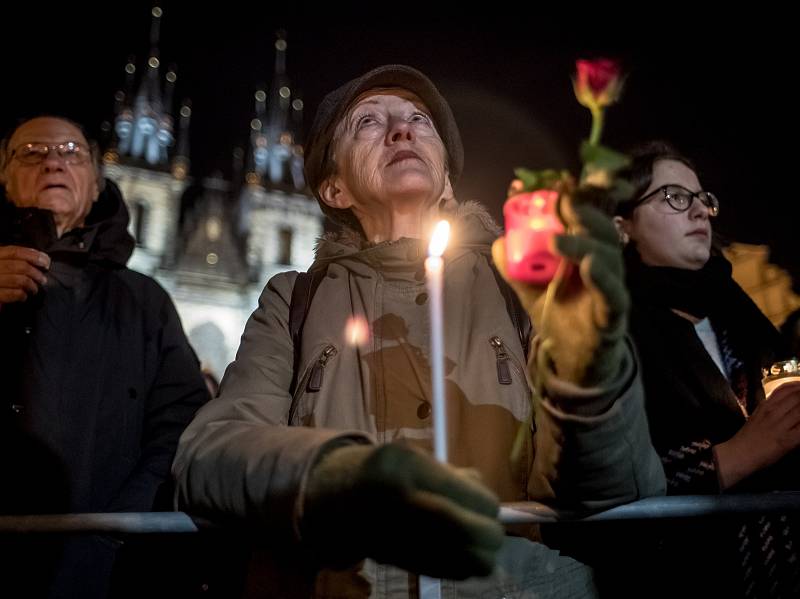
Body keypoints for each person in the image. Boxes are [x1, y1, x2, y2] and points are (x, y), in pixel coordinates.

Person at [173, 65, 665, 598]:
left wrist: (591, 377)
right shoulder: (293, 299)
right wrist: (334, 475)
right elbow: (208, 456)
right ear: (334, 188)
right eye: (367, 122)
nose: (402, 130)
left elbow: (616, 491)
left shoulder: (522, 290)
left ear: (447, 177)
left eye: (418, 120)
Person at [0, 116, 211, 598]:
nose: (53, 160)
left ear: (97, 184)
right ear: (5, 176)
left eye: (72, 151)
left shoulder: (145, 301)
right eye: (31, 152)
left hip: (96, 568)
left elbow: (181, 425)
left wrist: (118, 527)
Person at [610, 140, 800, 597]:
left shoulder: (739, 315)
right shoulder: (609, 334)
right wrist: (738, 454)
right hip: (685, 577)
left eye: (702, 199)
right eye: (674, 197)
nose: (698, 211)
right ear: (623, 227)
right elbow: (603, 475)